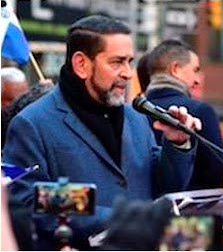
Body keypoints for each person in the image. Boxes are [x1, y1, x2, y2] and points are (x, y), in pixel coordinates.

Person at [2, 15, 200, 250]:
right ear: (82, 64)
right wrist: (124, 218)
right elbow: (30, 201)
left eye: (130, 61)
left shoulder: (136, 118)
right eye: (117, 62)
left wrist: (177, 144)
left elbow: (163, 187)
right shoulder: (33, 123)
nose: (128, 73)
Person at [144, 40, 223, 190]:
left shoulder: (132, 114)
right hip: (191, 211)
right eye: (195, 70)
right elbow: (215, 172)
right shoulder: (200, 111)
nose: (197, 80)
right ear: (175, 69)